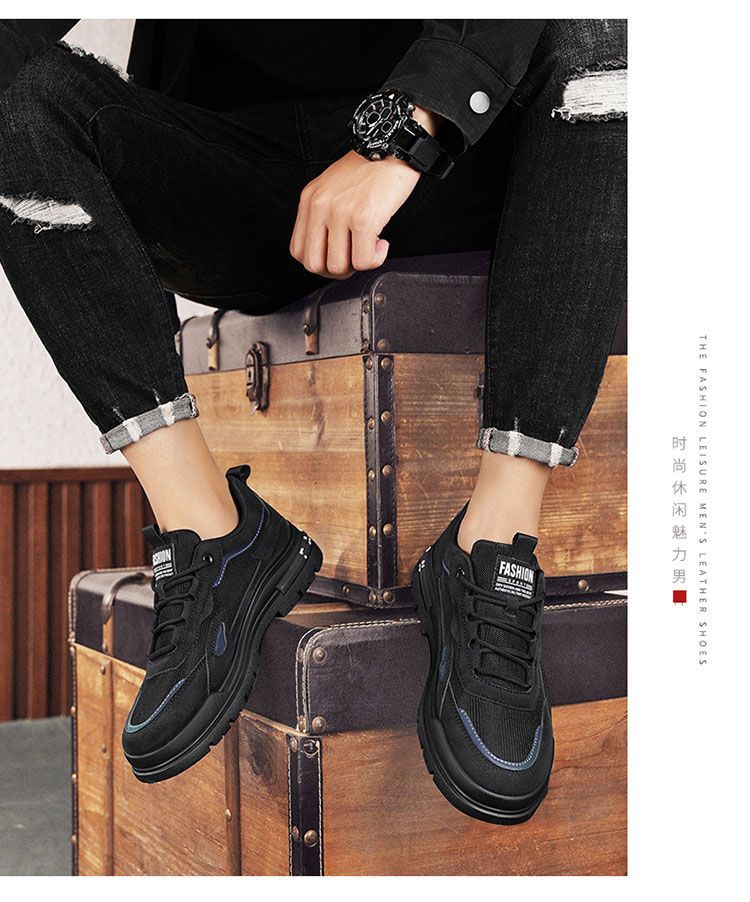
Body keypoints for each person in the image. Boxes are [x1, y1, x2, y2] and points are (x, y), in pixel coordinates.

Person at [0, 19, 625, 822]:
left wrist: (403, 133)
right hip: (232, 176)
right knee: (14, 101)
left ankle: (493, 551)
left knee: (608, 40)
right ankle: (212, 535)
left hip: (442, 162)